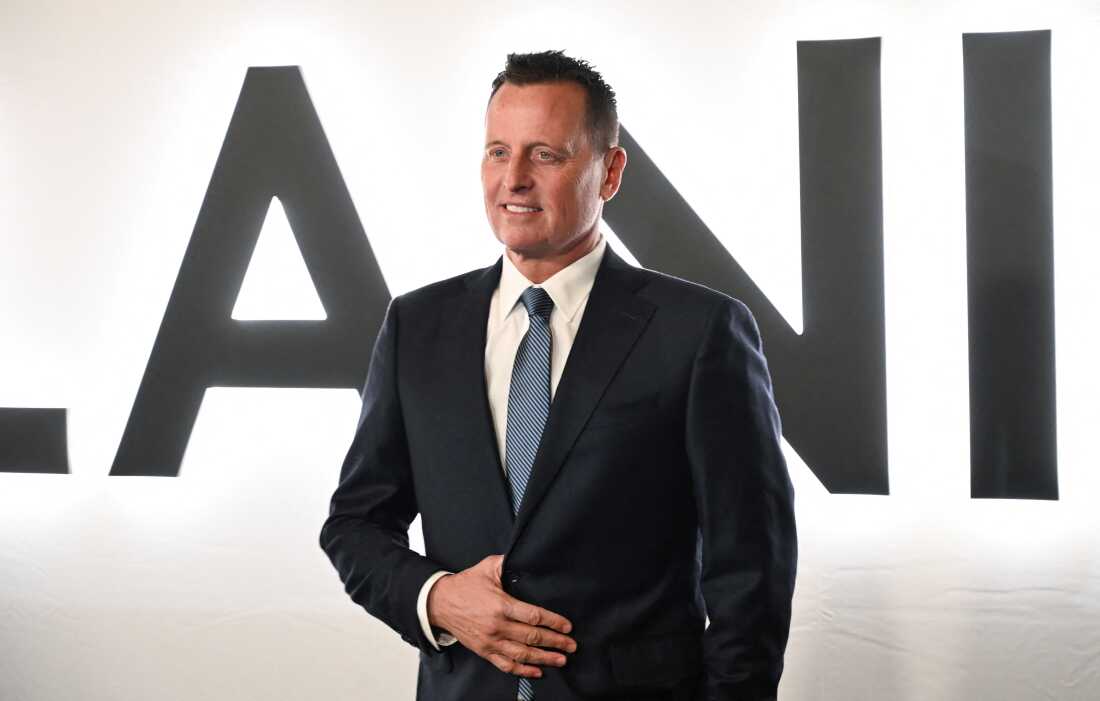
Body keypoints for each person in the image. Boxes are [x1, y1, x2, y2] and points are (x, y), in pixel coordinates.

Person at [320, 50, 797, 701]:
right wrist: (439, 598)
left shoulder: (699, 331)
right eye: (497, 152)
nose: (513, 178)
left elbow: (752, 572)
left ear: (610, 172)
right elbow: (355, 524)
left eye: (545, 154)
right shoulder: (417, 326)